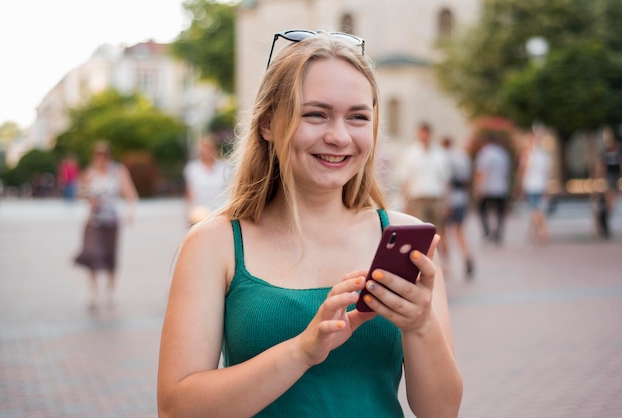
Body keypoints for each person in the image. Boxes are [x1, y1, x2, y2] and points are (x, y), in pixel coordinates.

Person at [157, 30, 462, 418]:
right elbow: (175, 408)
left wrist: (420, 325)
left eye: (357, 117)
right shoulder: (214, 243)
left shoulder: (400, 237)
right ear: (268, 123)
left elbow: (442, 411)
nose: (338, 136)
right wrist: (301, 352)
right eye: (316, 114)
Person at [74, 140, 138, 309]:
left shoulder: (118, 171)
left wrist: (130, 212)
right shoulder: (90, 173)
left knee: (110, 257)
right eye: (98, 156)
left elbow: (130, 193)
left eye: (104, 156)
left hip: (111, 220)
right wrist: (89, 198)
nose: (101, 159)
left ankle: (110, 290)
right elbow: (81, 192)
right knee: (92, 255)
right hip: (94, 220)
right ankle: (93, 291)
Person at [397, 122, 450, 232]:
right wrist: (406, 202)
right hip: (418, 198)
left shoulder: (439, 153)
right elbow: (405, 180)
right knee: (421, 231)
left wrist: (447, 202)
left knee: (438, 231)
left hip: (436, 198)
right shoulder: (410, 153)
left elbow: (445, 180)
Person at [440, 136, 474, 278]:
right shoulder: (462, 157)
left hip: (448, 200)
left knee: (442, 233)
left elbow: (445, 182)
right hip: (461, 198)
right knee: (459, 232)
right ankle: (466, 256)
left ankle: (446, 264)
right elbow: (467, 179)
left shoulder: (442, 158)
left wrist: (446, 202)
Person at [183, 135, 232, 225]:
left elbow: (230, 190)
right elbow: (189, 192)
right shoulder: (192, 168)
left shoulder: (224, 168)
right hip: (200, 213)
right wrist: (190, 211)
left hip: (221, 211)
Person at [473, 132, 512, 244]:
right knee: (500, 212)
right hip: (501, 187)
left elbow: (481, 171)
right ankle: (499, 233)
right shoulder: (503, 153)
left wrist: (478, 186)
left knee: (482, 210)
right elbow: (507, 170)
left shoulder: (484, 153)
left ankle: (487, 230)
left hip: (487, 187)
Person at [516, 130, 551, 243]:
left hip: (531, 185)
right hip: (541, 185)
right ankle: (532, 230)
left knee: (534, 209)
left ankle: (542, 229)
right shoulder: (544, 155)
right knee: (536, 208)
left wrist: (519, 185)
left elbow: (522, 171)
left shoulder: (527, 155)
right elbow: (547, 173)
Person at [594, 130, 621, 238]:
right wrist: (599, 176)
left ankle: (609, 207)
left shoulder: (618, 154)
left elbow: (620, 164)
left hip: (615, 177)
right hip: (609, 177)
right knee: (609, 194)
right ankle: (608, 207)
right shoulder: (606, 154)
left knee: (612, 194)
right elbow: (602, 166)